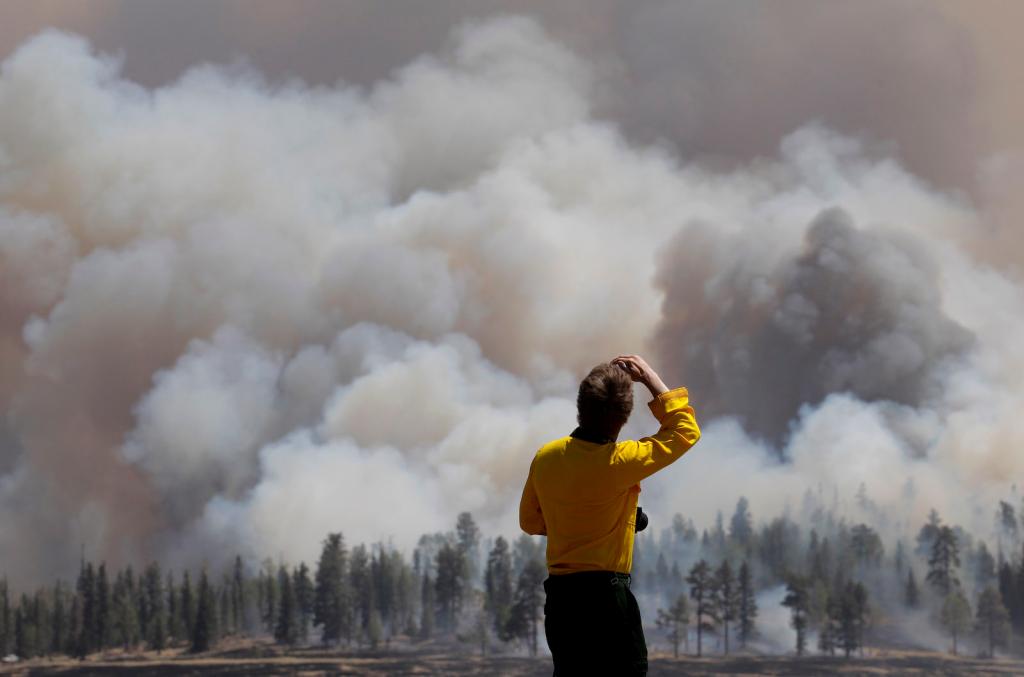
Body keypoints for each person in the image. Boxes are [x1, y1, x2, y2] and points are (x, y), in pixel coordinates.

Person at [519, 355, 701, 676]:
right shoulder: (620, 462)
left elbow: (530, 522)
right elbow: (684, 431)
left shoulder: (546, 457)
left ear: (580, 405)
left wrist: (583, 521)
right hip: (606, 598)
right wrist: (649, 377)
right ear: (624, 417)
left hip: (561, 600)